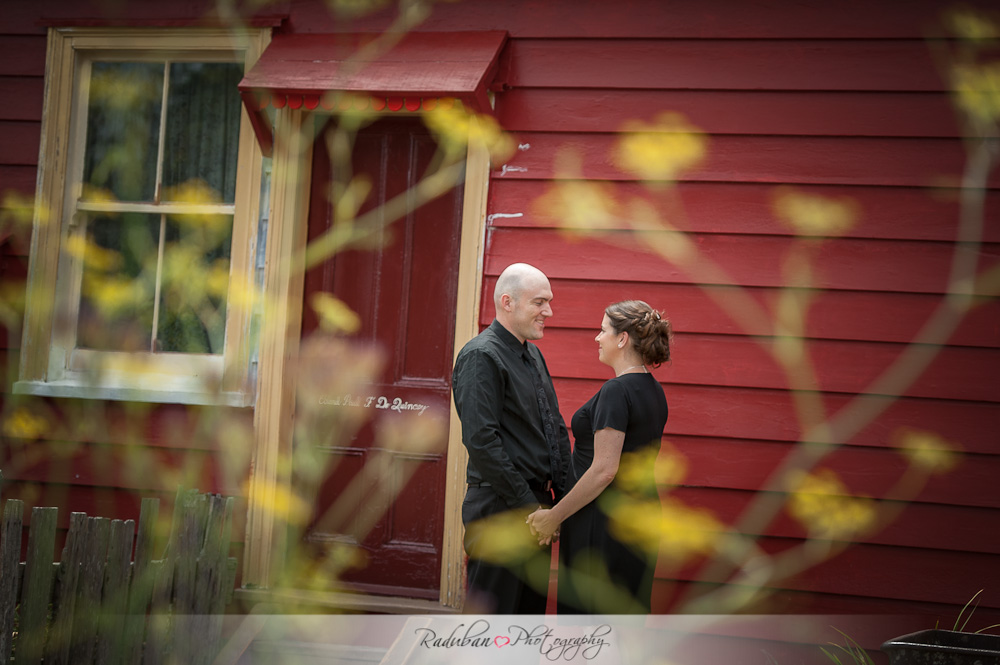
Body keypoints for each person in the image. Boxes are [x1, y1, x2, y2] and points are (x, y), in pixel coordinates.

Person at [527, 300, 671, 613]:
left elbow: (604, 470)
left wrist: (554, 516)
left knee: (592, 619)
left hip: (604, 521)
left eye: (603, 330)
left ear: (622, 339)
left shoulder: (616, 391)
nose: (597, 337)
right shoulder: (654, 390)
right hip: (639, 516)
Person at [452, 262, 572, 613]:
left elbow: (553, 428)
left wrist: (560, 505)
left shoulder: (532, 354)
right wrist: (529, 508)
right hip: (500, 510)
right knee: (493, 628)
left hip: (537, 510)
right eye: (539, 302)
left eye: (548, 302)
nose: (548, 312)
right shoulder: (481, 356)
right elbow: (481, 441)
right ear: (508, 302)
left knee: (526, 627)